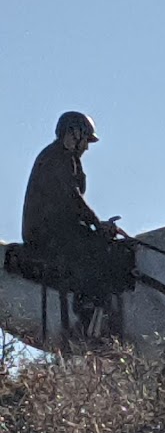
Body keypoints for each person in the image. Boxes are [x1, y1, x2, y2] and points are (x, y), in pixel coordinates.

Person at [21, 111, 134, 311]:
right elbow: (72, 199)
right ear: (74, 134)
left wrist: (96, 224)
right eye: (86, 140)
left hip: (56, 227)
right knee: (94, 251)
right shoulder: (58, 157)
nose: (87, 147)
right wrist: (98, 224)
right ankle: (86, 305)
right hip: (46, 231)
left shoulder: (63, 157)